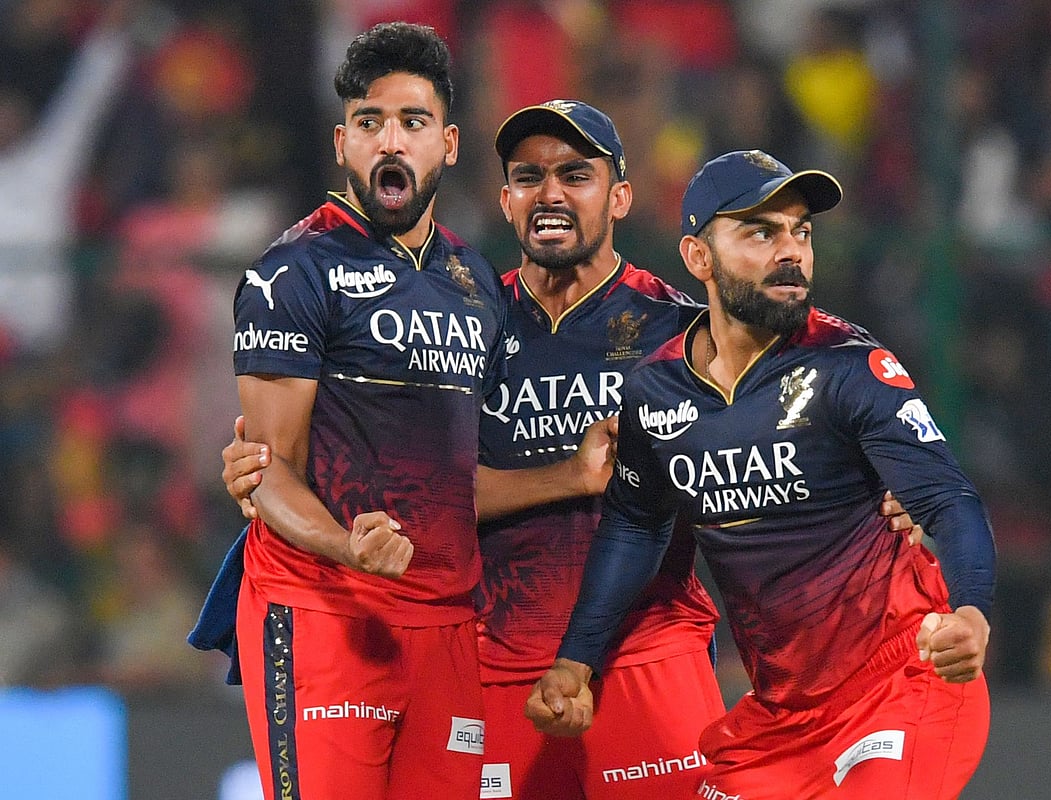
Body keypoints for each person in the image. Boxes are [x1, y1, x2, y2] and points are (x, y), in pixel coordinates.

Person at [218, 106, 925, 798]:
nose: (550, 193)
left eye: (576, 175)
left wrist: (886, 487)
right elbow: (420, 490)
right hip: (495, 669)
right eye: (529, 177)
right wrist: (271, 467)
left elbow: (808, 403)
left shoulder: (680, 329)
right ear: (506, 200)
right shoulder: (463, 326)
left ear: (619, 196)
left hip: (646, 654)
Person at [526, 150, 995, 800]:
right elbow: (636, 527)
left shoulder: (849, 368)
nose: (791, 250)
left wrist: (971, 610)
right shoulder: (655, 392)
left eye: (800, 231)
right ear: (698, 257)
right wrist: (576, 661)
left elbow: (949, 499)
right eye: (760, 231)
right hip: (781, 718)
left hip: (900, 684)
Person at [222, 22, 507, 800]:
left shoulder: (477, 281)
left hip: (447, 626)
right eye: (371, 123)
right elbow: (266, 473)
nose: (391, 141)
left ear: (447, 144)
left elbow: (475, 473)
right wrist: (348, 546)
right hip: (327, 612)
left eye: (413, 123)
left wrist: (584, 472)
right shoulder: (294, 272)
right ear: (343, 142)